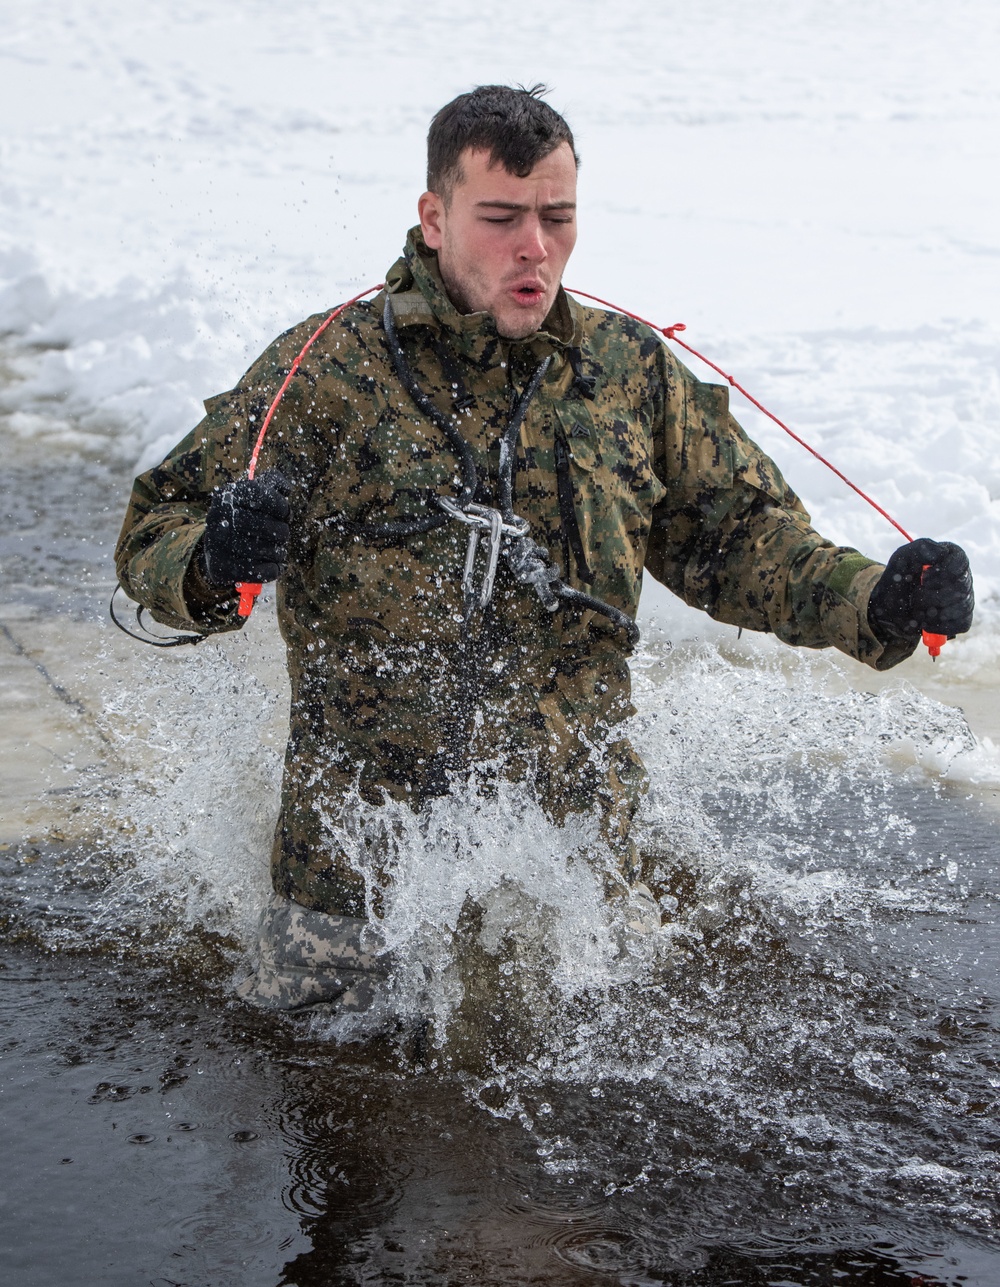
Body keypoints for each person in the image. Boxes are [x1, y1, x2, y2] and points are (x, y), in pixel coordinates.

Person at [114, 85, 974, 1013]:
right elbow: (154, 528)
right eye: (502, 218)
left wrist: (876, 599)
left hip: (576, 870)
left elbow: (738, 539)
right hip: (352, 877)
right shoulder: (330, 373)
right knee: (315, 1102)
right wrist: (213, 561)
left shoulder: (625, 372)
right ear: (435, 219)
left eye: (557, 217)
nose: (535, 247)